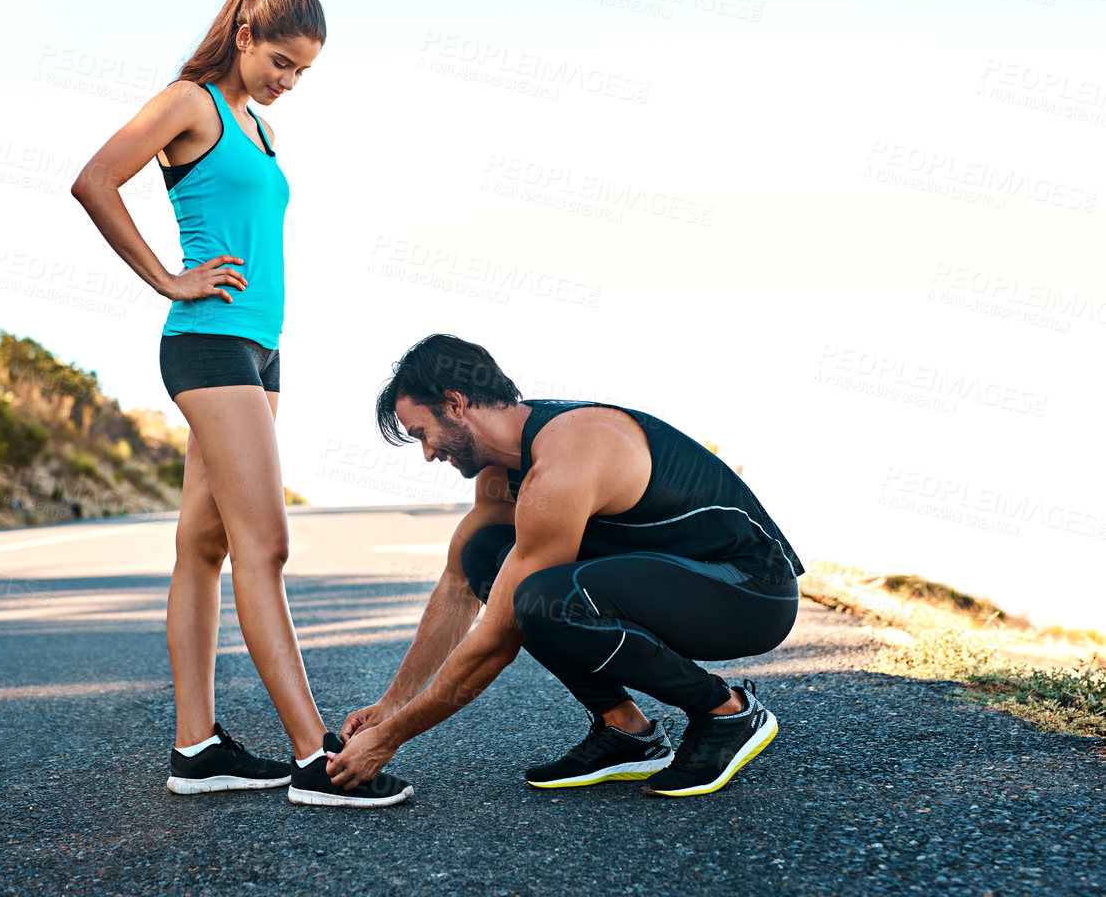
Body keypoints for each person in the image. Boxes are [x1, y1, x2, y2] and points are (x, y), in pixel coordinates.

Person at [71, 0, 412, 808]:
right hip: (209, 343)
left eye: (302, 73)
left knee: (205, 545)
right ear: (245, 36)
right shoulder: (190, 102)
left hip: (259, 349)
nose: (288, 82)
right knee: (266, 545)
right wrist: (167, 278)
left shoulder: (258, 127)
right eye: (281, 62)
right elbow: (93, 179)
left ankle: (197, 749)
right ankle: (313, 757)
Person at [330, 333, 803, 799]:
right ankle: (627, 733)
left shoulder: (566, 457)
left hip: (751, 593)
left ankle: (728, 713)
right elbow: (458, 586)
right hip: (679, 579)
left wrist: (390, 739)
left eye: (421, 434)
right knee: (485, 551)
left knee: (542, 600)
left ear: (455, 405)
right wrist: (389, 708)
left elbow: (498, 638)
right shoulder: (505, 462)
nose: (429, 453)